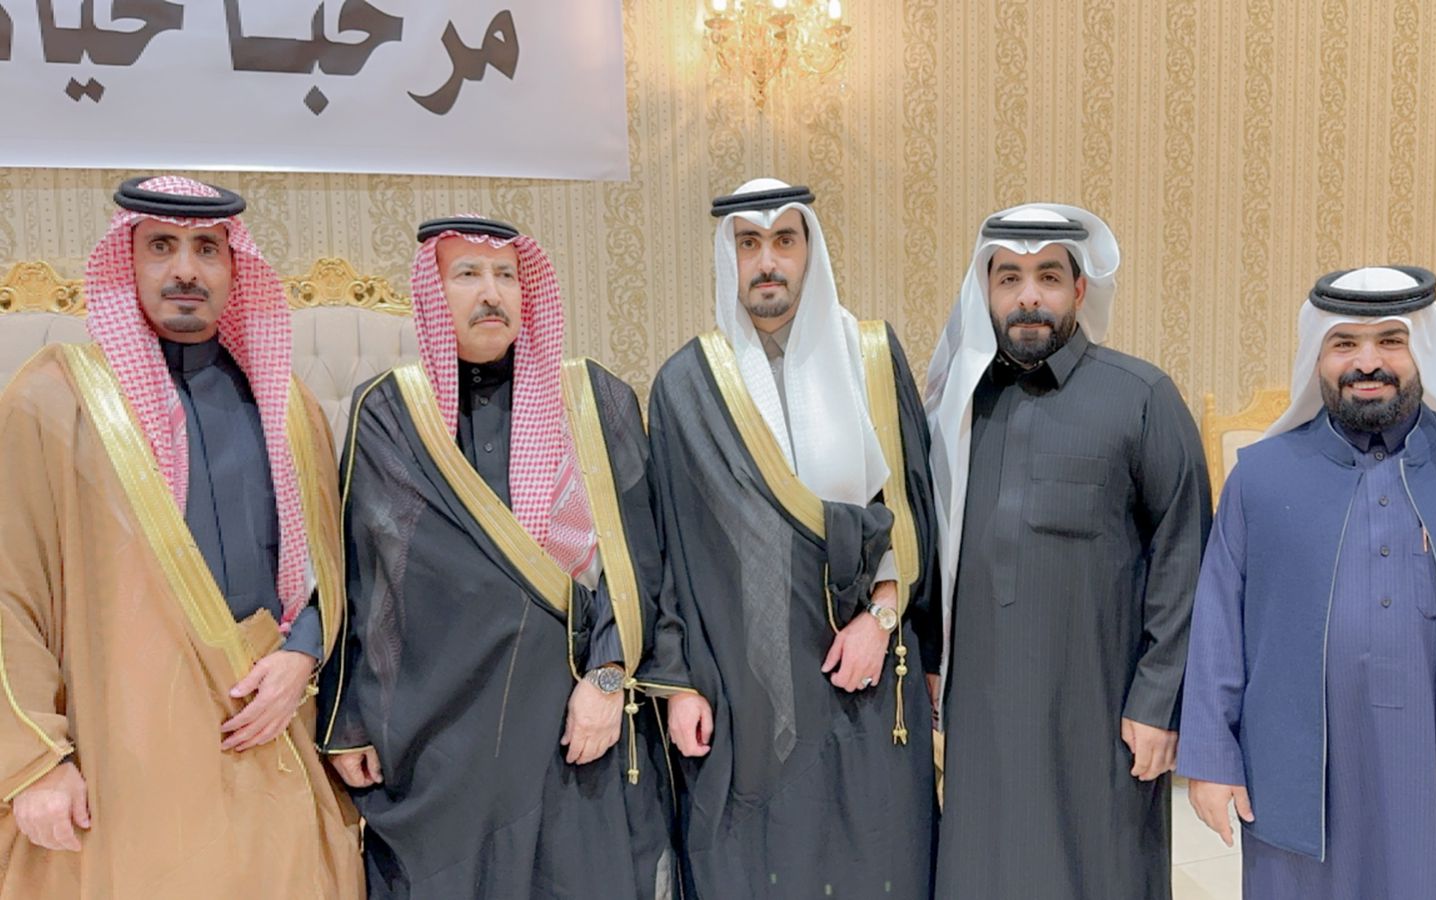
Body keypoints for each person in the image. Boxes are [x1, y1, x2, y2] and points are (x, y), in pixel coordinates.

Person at [1178, 266, 1436, 898]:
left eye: (1391, 341)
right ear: (1317, 356)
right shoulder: (1259, 479)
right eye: (1344, 343)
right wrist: (1212, 758)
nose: (1367, 362)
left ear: (1423, 349)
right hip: (1294, 784)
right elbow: (1217, 626)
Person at [0, 175, 360, 897]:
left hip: (269, 728)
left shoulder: (287, 406)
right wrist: (35, 761)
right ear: (127, 263)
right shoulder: (53, 398)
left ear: (235, 268)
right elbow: (9, 591)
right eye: (161, 247)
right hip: (121, 745)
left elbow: (334, 566)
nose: (186, 270)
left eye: (207, 249)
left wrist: (302, 653)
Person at [318, 216, 677, 898]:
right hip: (442, 728)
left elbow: (639, 561)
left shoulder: (594, 401)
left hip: (574, 720)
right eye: (468, 275)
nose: (492, 293)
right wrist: (350, 724)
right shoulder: (389, 411)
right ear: (432, 292)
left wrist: (606, 680)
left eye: (506, 276)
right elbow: (362, 579)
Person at [647, 179, 939, 898]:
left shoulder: (870, 358)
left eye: (784, 240)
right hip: (744, 680)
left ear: (811, 249)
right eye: (749, 243)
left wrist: (881, 621)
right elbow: (670, 553)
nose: (768, 261)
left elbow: (910, 512)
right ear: (729, 257)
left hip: (863, 661)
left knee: (875, 856)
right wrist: (680, 685)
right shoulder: (687, 385)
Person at [922, 203, 1211, 899]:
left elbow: (1186, 555)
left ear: (1079, 290)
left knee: (1101, 870)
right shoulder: (955, 405)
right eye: (1009, 278)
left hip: (1098, 707)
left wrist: (1159, 702)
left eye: (1048, 277)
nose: (1029, 297)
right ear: (985, 290)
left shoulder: (1142, 396)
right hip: (980, 709)